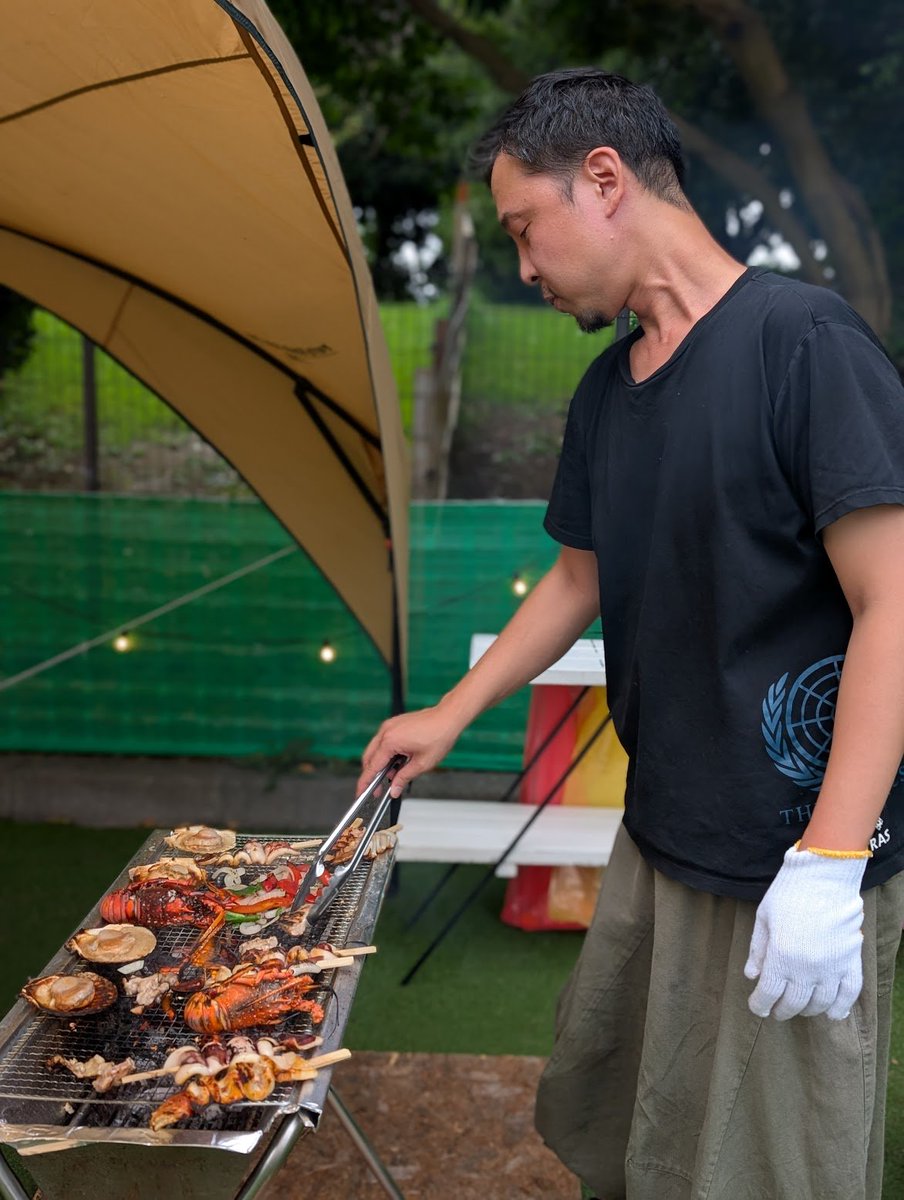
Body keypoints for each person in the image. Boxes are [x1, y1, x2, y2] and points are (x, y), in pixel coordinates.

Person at [360, 68, 904, 1199]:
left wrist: (832, 860)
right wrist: (449, 714)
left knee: (764, 1170)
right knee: (631, 1129)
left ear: (602, 181)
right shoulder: (608, 392)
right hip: (660, 835)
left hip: (790, 864)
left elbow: (893, 604)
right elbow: (578, 577)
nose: (524, 267)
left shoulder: (803, 343)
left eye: (526, 228)